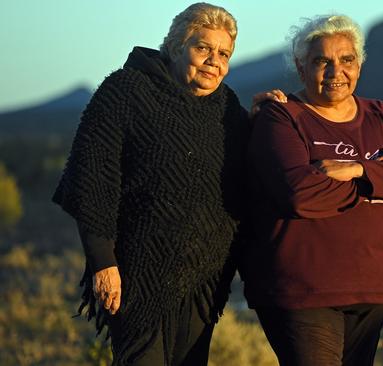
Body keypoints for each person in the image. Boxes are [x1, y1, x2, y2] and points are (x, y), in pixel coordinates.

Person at [52, 3, 285, 365]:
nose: (214, 61)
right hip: (135, 273)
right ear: (176, 46)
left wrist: (266, 120)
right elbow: (93, 179)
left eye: (224, 54)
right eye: (203, 48)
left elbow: (246, 169)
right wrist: (102, 262)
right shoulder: (126, 90)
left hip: (204, 278)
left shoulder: (227, 107)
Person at [241, 14, 383, 366]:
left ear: (359, 64)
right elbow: (300, 195)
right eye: (322, 61)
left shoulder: (382, 116)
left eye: (346, 60)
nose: (336, 72)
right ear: (301, 68)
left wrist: (359, 170)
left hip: (370, 285)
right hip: (302, 288)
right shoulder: (283, 117)